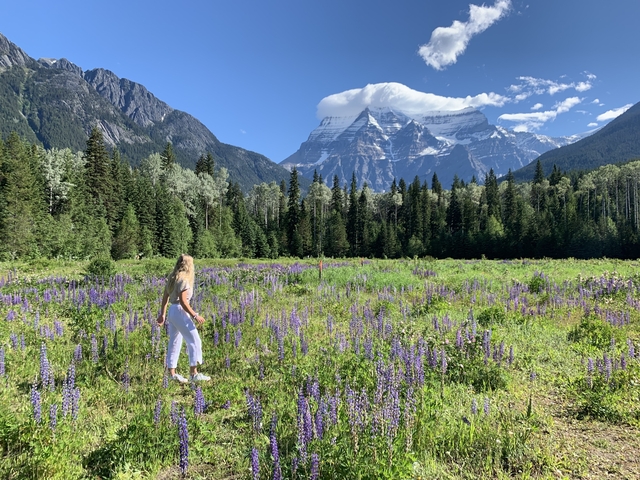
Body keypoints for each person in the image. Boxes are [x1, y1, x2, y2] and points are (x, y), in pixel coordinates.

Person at [157, 254, 210, 383]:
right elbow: (183, 302)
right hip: (180, 311)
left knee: (175, 342)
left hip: (172, 311)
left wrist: (162, 314)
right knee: (194, 340)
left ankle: (172, 374)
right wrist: (195, 315)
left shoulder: (172, 278)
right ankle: (194, 374)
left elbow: (165, 298)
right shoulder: (184, 280)